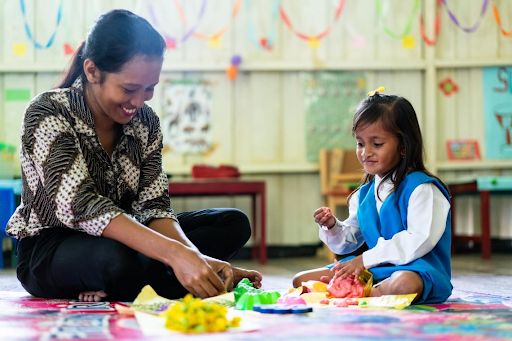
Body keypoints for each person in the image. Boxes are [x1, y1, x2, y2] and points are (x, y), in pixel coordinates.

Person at [6, 9, 261, 302]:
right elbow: (79, 204)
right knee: (117, 260)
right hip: (54, 247)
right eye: (129, 89)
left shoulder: (146, 121)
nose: (139, 102)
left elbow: (154, 206)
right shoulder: (48, 111)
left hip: (130, 239)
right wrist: (176, 254)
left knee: (231, 223)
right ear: (92, 71)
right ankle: (166, 276)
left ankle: (176, 274)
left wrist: (192, 254)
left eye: (149, 88)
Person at [293, 88, 452, 304]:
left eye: (377, 144)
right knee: (300, 282)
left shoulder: (423, 189)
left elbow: (419, 240)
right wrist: (332, 227)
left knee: (404, 284)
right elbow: (348, 243)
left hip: (417, 271)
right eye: (360, 143)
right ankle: (365, 291)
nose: (365, 152)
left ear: (404, 146)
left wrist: (364, 261)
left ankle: (358, 293)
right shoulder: (364, 194)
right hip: (376, 269)